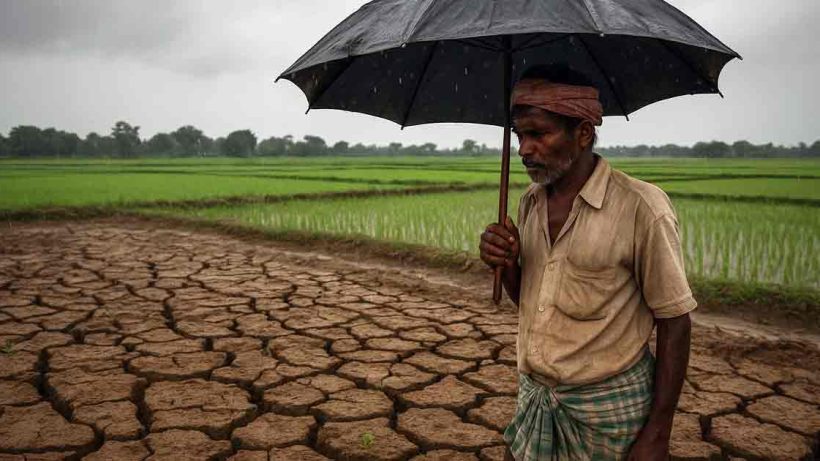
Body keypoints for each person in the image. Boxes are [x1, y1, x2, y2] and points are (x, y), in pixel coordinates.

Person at [479, 65, 695, 461]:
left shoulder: (641, 207)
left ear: (582, 133)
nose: (524, 149)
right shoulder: (530, 201)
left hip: (608, 411)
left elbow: (675, 322)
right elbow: (532, 299)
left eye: (539, 134)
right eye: (519, 135)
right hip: (535, 398)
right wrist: (506, 263)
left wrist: (658, 432)